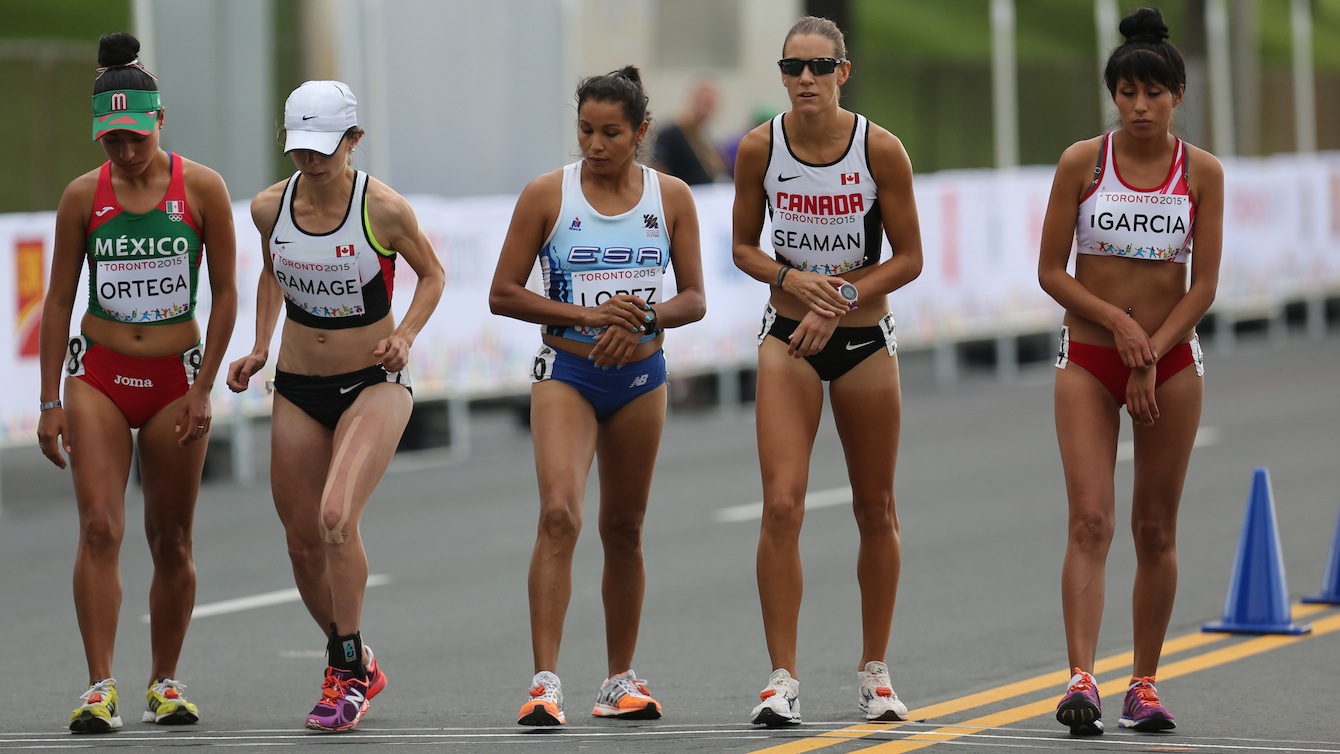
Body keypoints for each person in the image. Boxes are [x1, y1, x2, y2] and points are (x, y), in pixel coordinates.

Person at [489, 65, 706, 727]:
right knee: (560, 514)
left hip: (640, 379)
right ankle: (544, 683)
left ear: (640, 132)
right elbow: (502, 293)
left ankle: (619, 680)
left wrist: (642, 318)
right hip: (568, 374)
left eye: (611, 132)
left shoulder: (671, 197)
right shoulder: (547, 195)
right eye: (585, 130)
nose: (595, 144)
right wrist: (589, 316)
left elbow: (694, 299)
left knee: (624, 528)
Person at [225, 80, 444, 732]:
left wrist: (405, 335)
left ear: (353, 140)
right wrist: (260, 346)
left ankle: (345, 671)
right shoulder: (270, 207)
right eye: (300, 148)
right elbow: (272, 270)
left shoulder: (384, 209)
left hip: (373, 381)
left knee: (335, 517)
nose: (312, 160)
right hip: (298, 384)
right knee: (301, 545)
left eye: (325, 147)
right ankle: (353, 656)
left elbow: (433, 274)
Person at [36, 32, 238, 734]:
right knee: (99, 525)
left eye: (135, 137)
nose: (125, 152)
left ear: (160, 119)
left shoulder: (203, 189)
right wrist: (50, 400)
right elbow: (58, 301)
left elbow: (228, 293)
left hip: (174, 382)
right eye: (112, 140)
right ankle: (99, 687)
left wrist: (204, 387)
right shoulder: (81, 196)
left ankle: (164, 682)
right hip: (98, 375)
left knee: (172, 538)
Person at [731, 16, 924, 727]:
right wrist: (792, 280)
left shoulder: (880, 149)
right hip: (788, 338)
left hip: (864, 339)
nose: (805, 79)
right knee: (781, 506)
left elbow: (909, 258)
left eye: (818, 67)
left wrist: (838, 297)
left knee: (874, 507)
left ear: (844, 72)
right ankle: (781, 678)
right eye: (793, 67)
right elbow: (743, 248)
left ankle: (876, 673)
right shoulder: (760, 147)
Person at [1038, 7, 1223, 737]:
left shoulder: (1201, 172)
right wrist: (1118, 326)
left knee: (1154, 528)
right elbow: (1052, 271)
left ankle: (1143, 684)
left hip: (1170, 360)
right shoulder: (1082, 163)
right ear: (1113, 95)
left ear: (1178, 95)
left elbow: (1204, 285)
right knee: (1090, 520)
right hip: (1089, 357)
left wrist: (1150, 349)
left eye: (1154, 93)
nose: (1140, 106)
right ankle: (1081, 677)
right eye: (1127, 93)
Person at [652, 79, 726, 185]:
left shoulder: (703, 135)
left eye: (711, 104)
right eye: (705, 103)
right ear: (694, 101)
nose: (708, 109)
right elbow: (659, 169)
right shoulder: (671, 134)